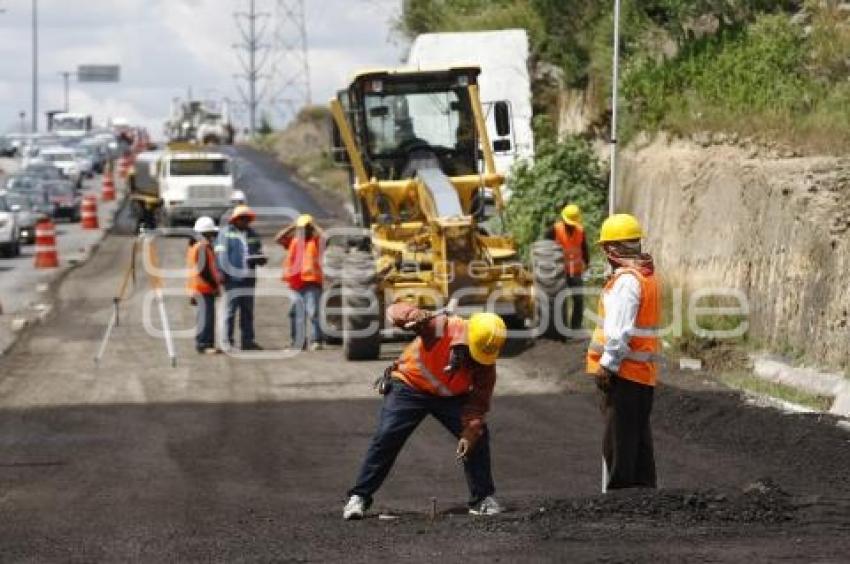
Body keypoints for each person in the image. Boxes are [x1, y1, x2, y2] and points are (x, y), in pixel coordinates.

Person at [342, 304, 508, 520]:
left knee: (478, 437)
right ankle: (359, 497)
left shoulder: (486, 363)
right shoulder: (439, 327)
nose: (477, 359)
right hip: (410, 386)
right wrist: (413, 315)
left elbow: (478, 404)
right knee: (387, 437)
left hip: (450, 397)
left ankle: (482, 499)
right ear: (468, 336)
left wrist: (470, 430)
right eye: (474, 351)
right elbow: (394, 310)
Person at [586, 213, 661, 491]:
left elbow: (619, 332)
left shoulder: (626, 282)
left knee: (618, 444)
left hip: (624, 374)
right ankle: (644, 496)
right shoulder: (646, 276)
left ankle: (620, 500)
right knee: (638, 441)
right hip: (642, 375)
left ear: (611, 249)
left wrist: (608, 365)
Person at [215, 205, 267, 350]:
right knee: (230, 311)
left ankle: (248, 341)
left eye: (247, 219)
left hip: (248, 279)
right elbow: (220, 254)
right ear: (235, 220)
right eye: (242, 219)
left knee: (247, 311)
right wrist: (221, 272)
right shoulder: (225, 234)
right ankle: (227, 342)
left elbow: (258, 251)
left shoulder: (252, 234)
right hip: (232, 279)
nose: (245, 222)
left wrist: (260, 259)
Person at [279, 214, 324, 351]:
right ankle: (298, 342)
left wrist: (312, 224)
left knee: (313, 312)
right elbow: (279, 239)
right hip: (296, 284)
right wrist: (293, 226)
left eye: (305, 228)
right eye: (301, 228)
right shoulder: (294, 241)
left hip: (311, 282)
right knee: (295, 313)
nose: (303, 231)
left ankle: (317, 340)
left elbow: (325, 236)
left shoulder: (315, 241)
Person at [546, 203, 589, 332]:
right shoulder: (554, 230)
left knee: (578, 299)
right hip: (560, 272)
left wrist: (587, 262)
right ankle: (561, 328)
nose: (570, 224)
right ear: (563, 219)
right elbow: (545, 247)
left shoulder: (580, 231)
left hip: (576, 272)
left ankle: (576, 327)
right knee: (561, 300)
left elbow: (584, 248)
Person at [187, 216, 221, 354]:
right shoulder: (202, 247)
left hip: (198, 287)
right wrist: (214, 286)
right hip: (204, 288)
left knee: (204, 316)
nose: (213, 236)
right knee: (206, 317)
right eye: (211, 233)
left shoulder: (196, 246)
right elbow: (204, 270)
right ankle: (204, 343)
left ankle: (206, 342)